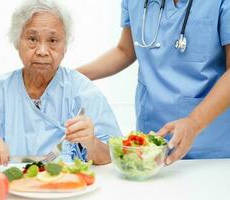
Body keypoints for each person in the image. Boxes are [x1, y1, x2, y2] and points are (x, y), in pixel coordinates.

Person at [0, 0, 121, 168]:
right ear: (17, 42)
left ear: (65, 46)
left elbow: (114, 156)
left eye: (53, 40)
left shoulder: (84, 92)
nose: (42, 51)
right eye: (32, 39)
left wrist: (92, 143)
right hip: (9, 189)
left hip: (70, 189)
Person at [77, 0, 230, 165]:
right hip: (152, 140)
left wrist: (194, 122)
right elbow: (125, 50)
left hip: (210, 145)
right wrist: (71, 76)